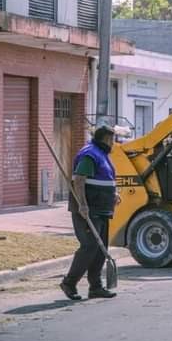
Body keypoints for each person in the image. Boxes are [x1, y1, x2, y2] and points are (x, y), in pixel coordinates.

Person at [60, 125, 120, 301]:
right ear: (105, 139)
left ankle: (95, 287)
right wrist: (83, 205)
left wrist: (113, 194)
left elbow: (104, 179)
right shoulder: (89, 154)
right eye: (112, 140)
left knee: (101, 248)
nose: (113, 143)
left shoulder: (102, 155)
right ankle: (69, 283)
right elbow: (79, 180)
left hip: (102, 208)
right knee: (90, 247)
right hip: (88, 209)